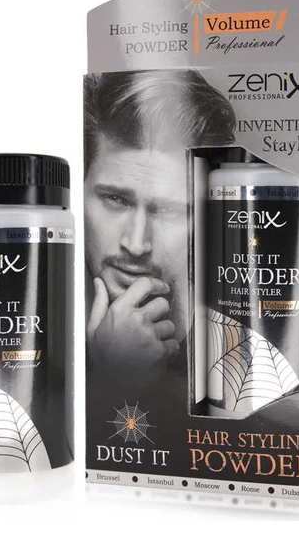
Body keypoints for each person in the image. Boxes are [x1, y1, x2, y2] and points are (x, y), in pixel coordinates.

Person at [84, 69, 235, 378]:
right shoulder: (31, 326)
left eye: (168, 210)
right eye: (115, 199)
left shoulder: (241, 343)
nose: (136, 244)